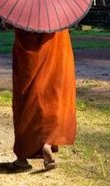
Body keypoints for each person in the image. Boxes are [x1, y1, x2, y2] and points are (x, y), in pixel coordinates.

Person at [8, 27, 77, 172]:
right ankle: (47, 142)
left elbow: (8, 23)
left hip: (27, 51)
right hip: (56, 45)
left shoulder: (22, 11)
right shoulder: (58, 15)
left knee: (27, 99)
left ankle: (22, 159)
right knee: (53, 96)